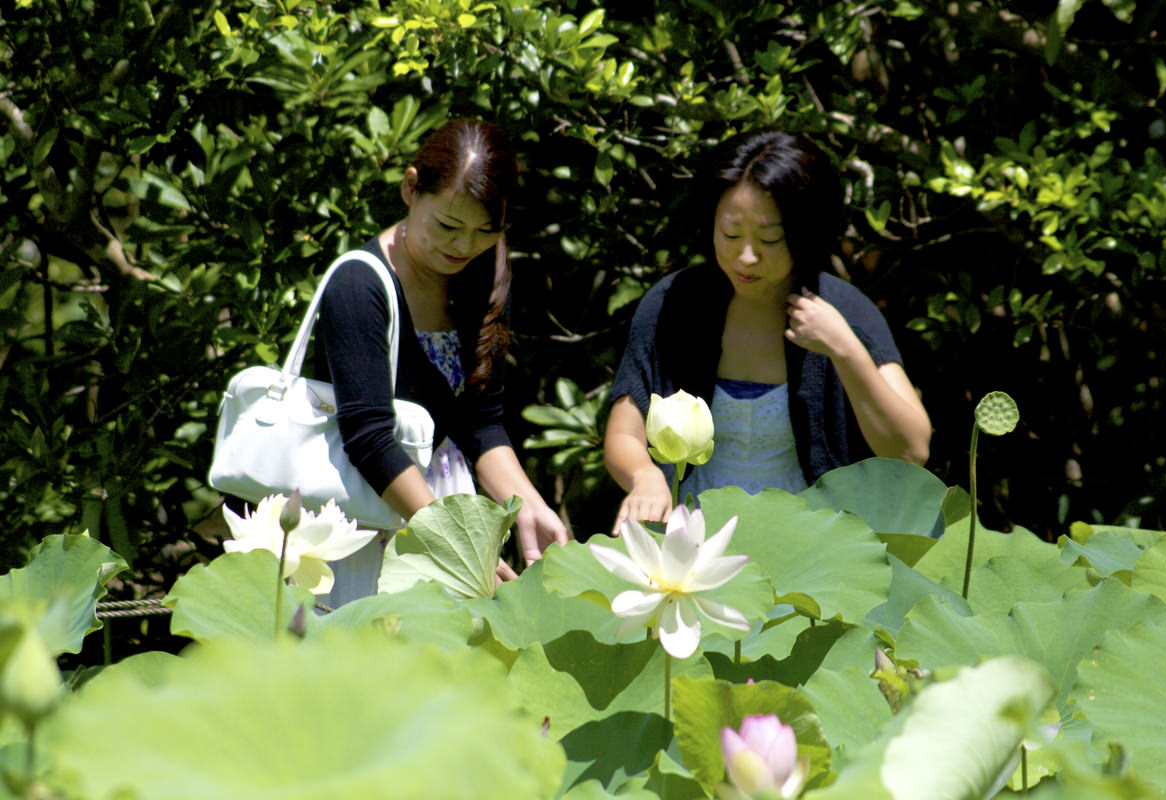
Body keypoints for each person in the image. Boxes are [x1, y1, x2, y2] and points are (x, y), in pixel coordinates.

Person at [604, 129, 931, 531]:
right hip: (689, 540)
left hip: (810, 547)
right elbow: (624, 433)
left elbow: (912, 450)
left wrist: (846, 351)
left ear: (805, 234)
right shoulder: (675, 303)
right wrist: (644, 476)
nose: (746, 257)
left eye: (769, 239)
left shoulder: (844, 311)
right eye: (730, 234)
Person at [313, 118, 568, 605]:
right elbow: (368, 438)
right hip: (370, 514)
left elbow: (481, 420)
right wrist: (451, 540)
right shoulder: (359, 283)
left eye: (484, 231)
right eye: (449, 226)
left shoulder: (484, 271)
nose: (462, 246)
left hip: (449, 506)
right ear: (411, 188)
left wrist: (527, 504)